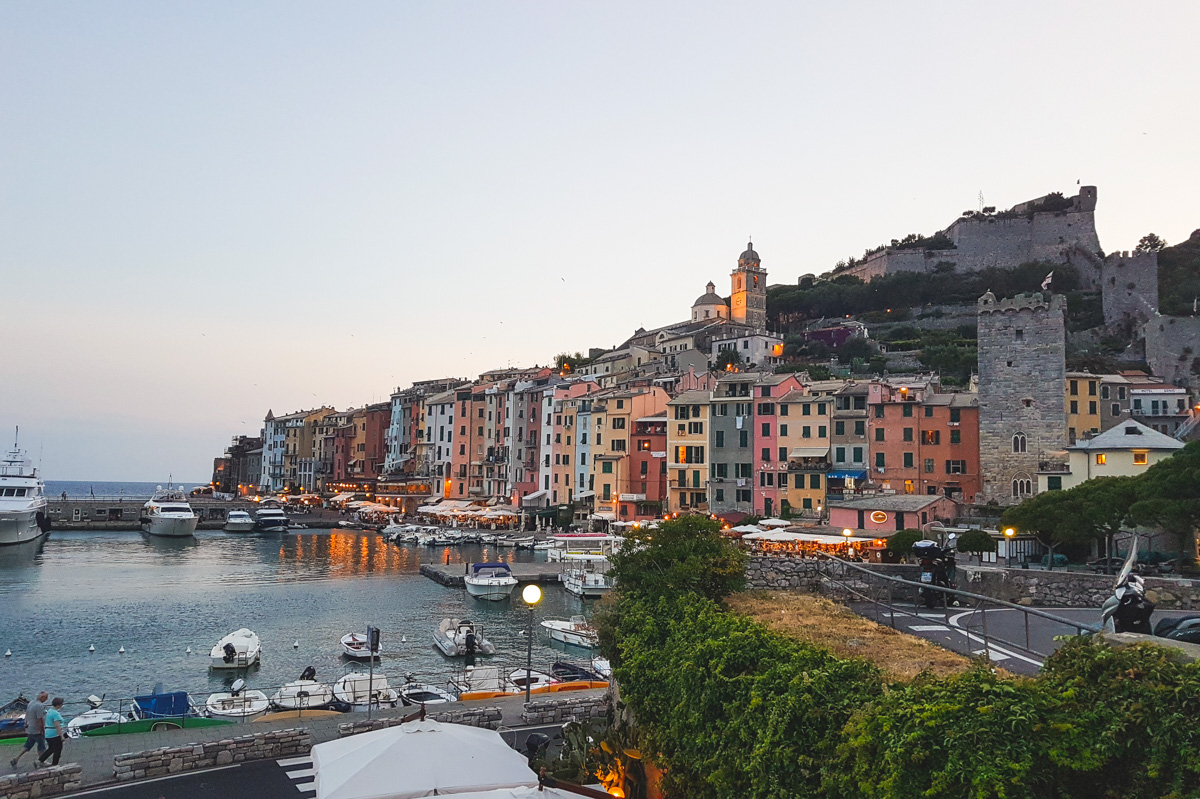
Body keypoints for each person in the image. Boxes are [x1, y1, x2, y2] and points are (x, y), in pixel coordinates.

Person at [10, 691, 48, 769]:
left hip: (30, 728)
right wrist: (41, 729)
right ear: (42, 698)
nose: (46, 699)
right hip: (36, 729)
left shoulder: (31, 703)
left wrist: (26, 723)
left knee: (28, 745)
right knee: (41, 746)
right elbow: (39, 719)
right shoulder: (40, 706)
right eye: (46, 697)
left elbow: (27, 714)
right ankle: (41, 761)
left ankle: (16, 759)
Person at [37, 698, 65, 766]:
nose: (62, 706)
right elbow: (57, 725)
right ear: (58, 705)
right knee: (58, 749)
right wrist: (61, 736)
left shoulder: (49, 711)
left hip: (48, 733)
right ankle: (54, 764)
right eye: (61, 704)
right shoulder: (55, 714)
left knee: (51, 748)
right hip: (54, 734)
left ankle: (40, 760)